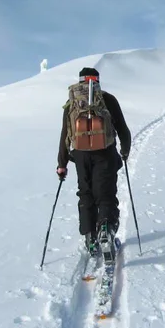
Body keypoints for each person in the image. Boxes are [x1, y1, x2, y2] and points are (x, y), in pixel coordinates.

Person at [56, 67, 131, 257]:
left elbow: (65, 135)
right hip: (105, 153)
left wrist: (62, 164)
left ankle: (90, 238)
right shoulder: (108, 99)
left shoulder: (72, 102)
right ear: (97, 80)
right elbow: (123, 129)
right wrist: (124, 151)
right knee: (105, 193)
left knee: (86, 194)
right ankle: (105, 229)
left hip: (80, 155)